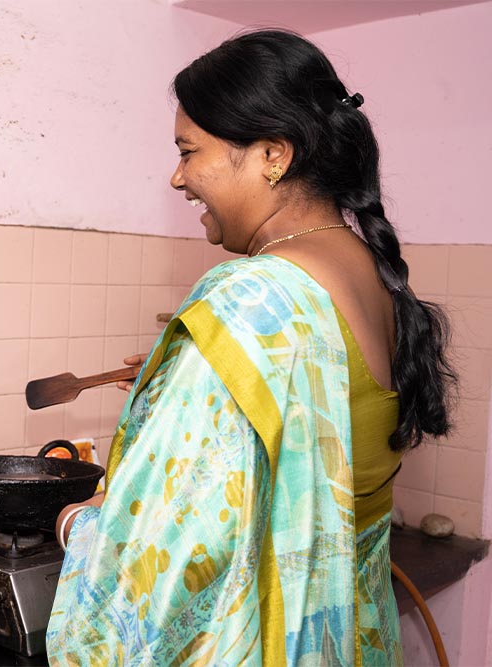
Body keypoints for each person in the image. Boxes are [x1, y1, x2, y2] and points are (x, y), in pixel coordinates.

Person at [46, 30, 455, 666]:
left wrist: (83, 522)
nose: (178, 178)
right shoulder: (370, 275)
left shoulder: (254, 294)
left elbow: (172, 554)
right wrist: (181, 390)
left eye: (188, 151)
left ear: (271, 154)